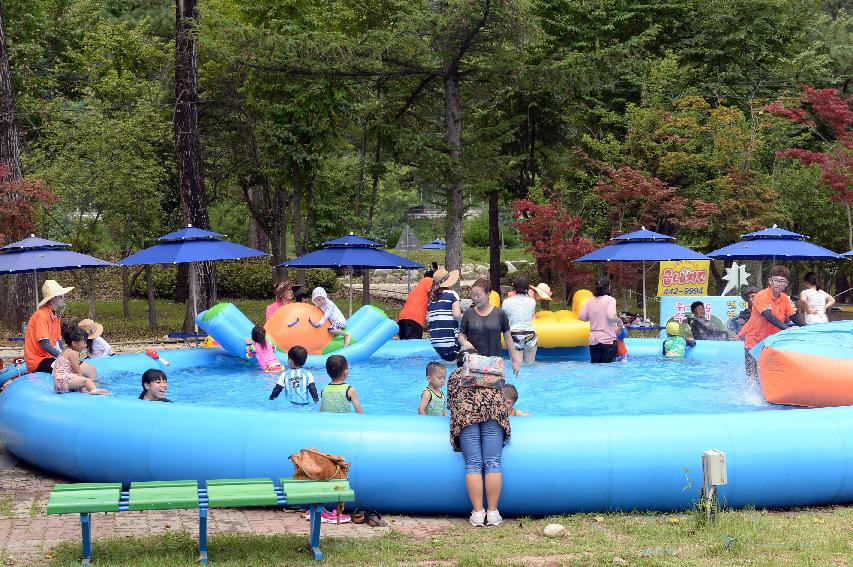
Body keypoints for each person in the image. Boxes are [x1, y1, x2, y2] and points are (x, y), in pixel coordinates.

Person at [447, 348, 510, 527]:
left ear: (460, 362)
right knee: (493, 462)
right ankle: (492, 512)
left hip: (466, 417)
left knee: (473, 463)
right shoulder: (488, 369)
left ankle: (477, 513)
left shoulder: (454, 375)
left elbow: (451, 404)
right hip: (494, 415)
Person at [24, 280, 97, 381]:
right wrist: (65, 357)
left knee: (91, 370)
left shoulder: (55, 317)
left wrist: (68, 356)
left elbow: (58, 343)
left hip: (50, 358)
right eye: (61, 296)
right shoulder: (41, 316)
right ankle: (84, 389)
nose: (64, 298)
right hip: (38, 361)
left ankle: (91, 390)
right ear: (53, 298)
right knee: (73, 372)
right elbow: (44, 344)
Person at [738, 266, 799, 379]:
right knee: (752, 377)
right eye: (776, 280)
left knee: (772, 374)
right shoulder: (761, 296)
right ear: (770, 281)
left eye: (782, 281)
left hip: (772, 342)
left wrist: (808, 327)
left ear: (786, 284)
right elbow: (769, 317)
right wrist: (787, 328)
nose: (778, 284)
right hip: (754, 343)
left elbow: (793, 316)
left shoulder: (784, 297)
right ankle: (750, 396)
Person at [458, 279, 521, 376]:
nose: (475, 298)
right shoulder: (468, 313)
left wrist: (515, 361)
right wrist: (464, 342)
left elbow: (508, 340)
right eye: (473, 295)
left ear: (488, 294)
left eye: (478, 295)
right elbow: (461, 336)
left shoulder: (500, 313)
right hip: (473, 363)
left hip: (495, 363)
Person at [577, 277, 624, 364]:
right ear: (609, 287)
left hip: (593, 341)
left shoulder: (590, 301)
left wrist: (593, 316)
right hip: (608, 340)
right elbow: (611, 316)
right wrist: (620, 322)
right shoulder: (610, 300)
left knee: (595, 368)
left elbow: (581, 317)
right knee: (608, 370)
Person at [53, 327, 108, 395]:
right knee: (86, 381)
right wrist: (82, 384)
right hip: (63, 382)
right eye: (83, 342)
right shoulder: (73, 353)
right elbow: (78, 371)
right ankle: (93, 390)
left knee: (84, 380)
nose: (85, 345)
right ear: (74, 343)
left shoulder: (66, 350)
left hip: (58, 383)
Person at [427, 268, 463, 361]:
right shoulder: (452, 294)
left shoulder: (431, 299)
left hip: (436, 343)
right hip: (450, 343)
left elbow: (428, 319)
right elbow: (456, 315)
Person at [501, 277, 539, 365]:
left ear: (513, 287)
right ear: (527, 288)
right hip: (530, 335)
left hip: (515, 335)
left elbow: (504, 319)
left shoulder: (506, 302)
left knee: (517, 367)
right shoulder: (532, 301)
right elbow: (532, 315)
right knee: (530, 365)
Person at [397, 263, 438, 340]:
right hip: (414, 319)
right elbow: (435, 296)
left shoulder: (418, 288)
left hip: (402, 318)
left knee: (404, 347)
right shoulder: (428, 280)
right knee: (414, 348)